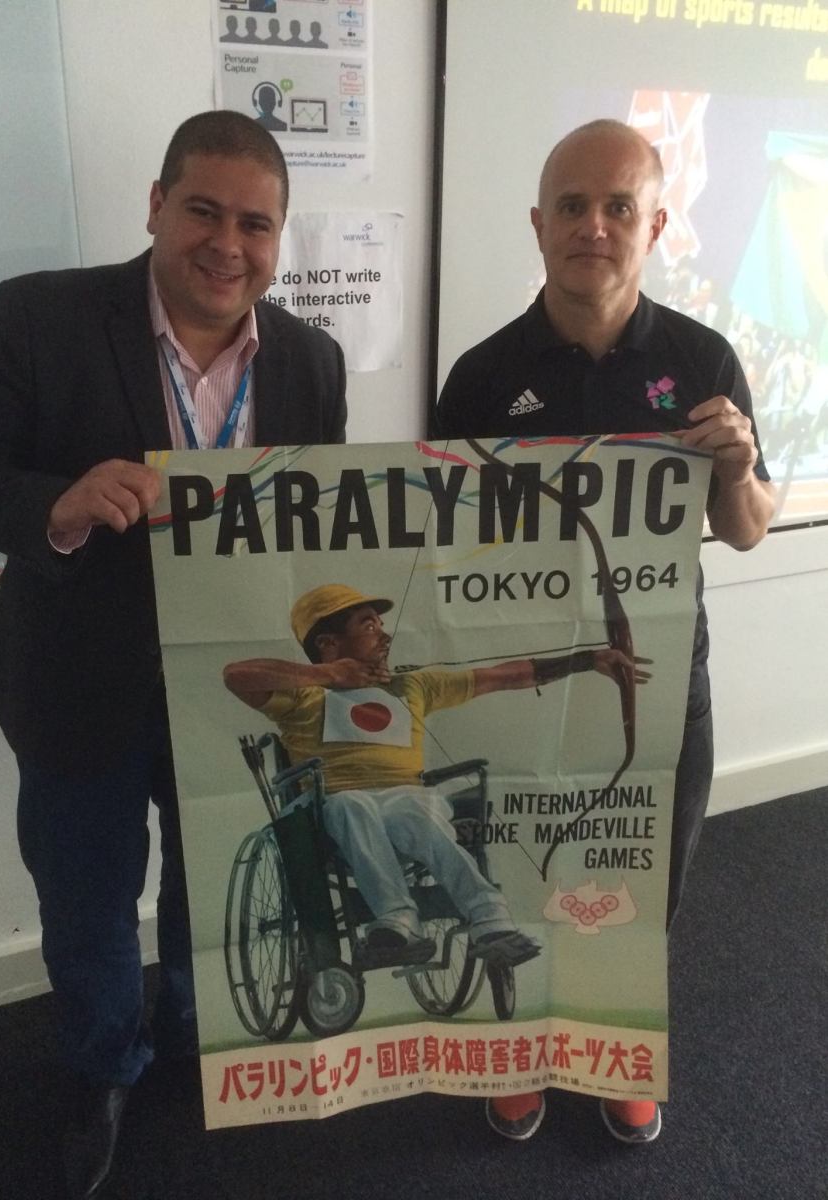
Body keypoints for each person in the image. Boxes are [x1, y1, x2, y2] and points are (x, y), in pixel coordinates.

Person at [0, 111, 346, 1199]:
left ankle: (202, 1029)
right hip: (80, 686)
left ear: (279, 237)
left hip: (235, 693)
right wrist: (55, 505)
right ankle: (104, 1065)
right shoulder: (45, 317)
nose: (227, 245)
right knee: (87, 901)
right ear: (157, 205)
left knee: (217, 879)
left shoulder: (311, 360)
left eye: (255, 224)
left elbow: (321, 529)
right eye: (203, 211)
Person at [433, 118, 775, 1146]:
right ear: (537, 223)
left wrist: (734, 463)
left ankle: (612, 1050)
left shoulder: (702, 358)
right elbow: (440, 546)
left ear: (654, 225)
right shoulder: (479, 375)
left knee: (643, 879)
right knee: (519, 871)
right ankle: (519, 1052)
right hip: (528, 680)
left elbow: (745, 529)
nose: (593, 226)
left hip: (659, 678)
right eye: (572, 206)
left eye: (617, 206)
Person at [223, 583, 648, 966]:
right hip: (336, 810)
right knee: (353, 804)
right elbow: (235, 675)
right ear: (329, 643)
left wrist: (588, 660)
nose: (384, 635)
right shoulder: (302, 697)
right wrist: (326, 675)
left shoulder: (413, 687)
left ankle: (490, 919)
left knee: (419, 810)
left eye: (381, 625)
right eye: (369, 625)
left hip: (405, 798)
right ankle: (397, 921)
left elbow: (503, 676)